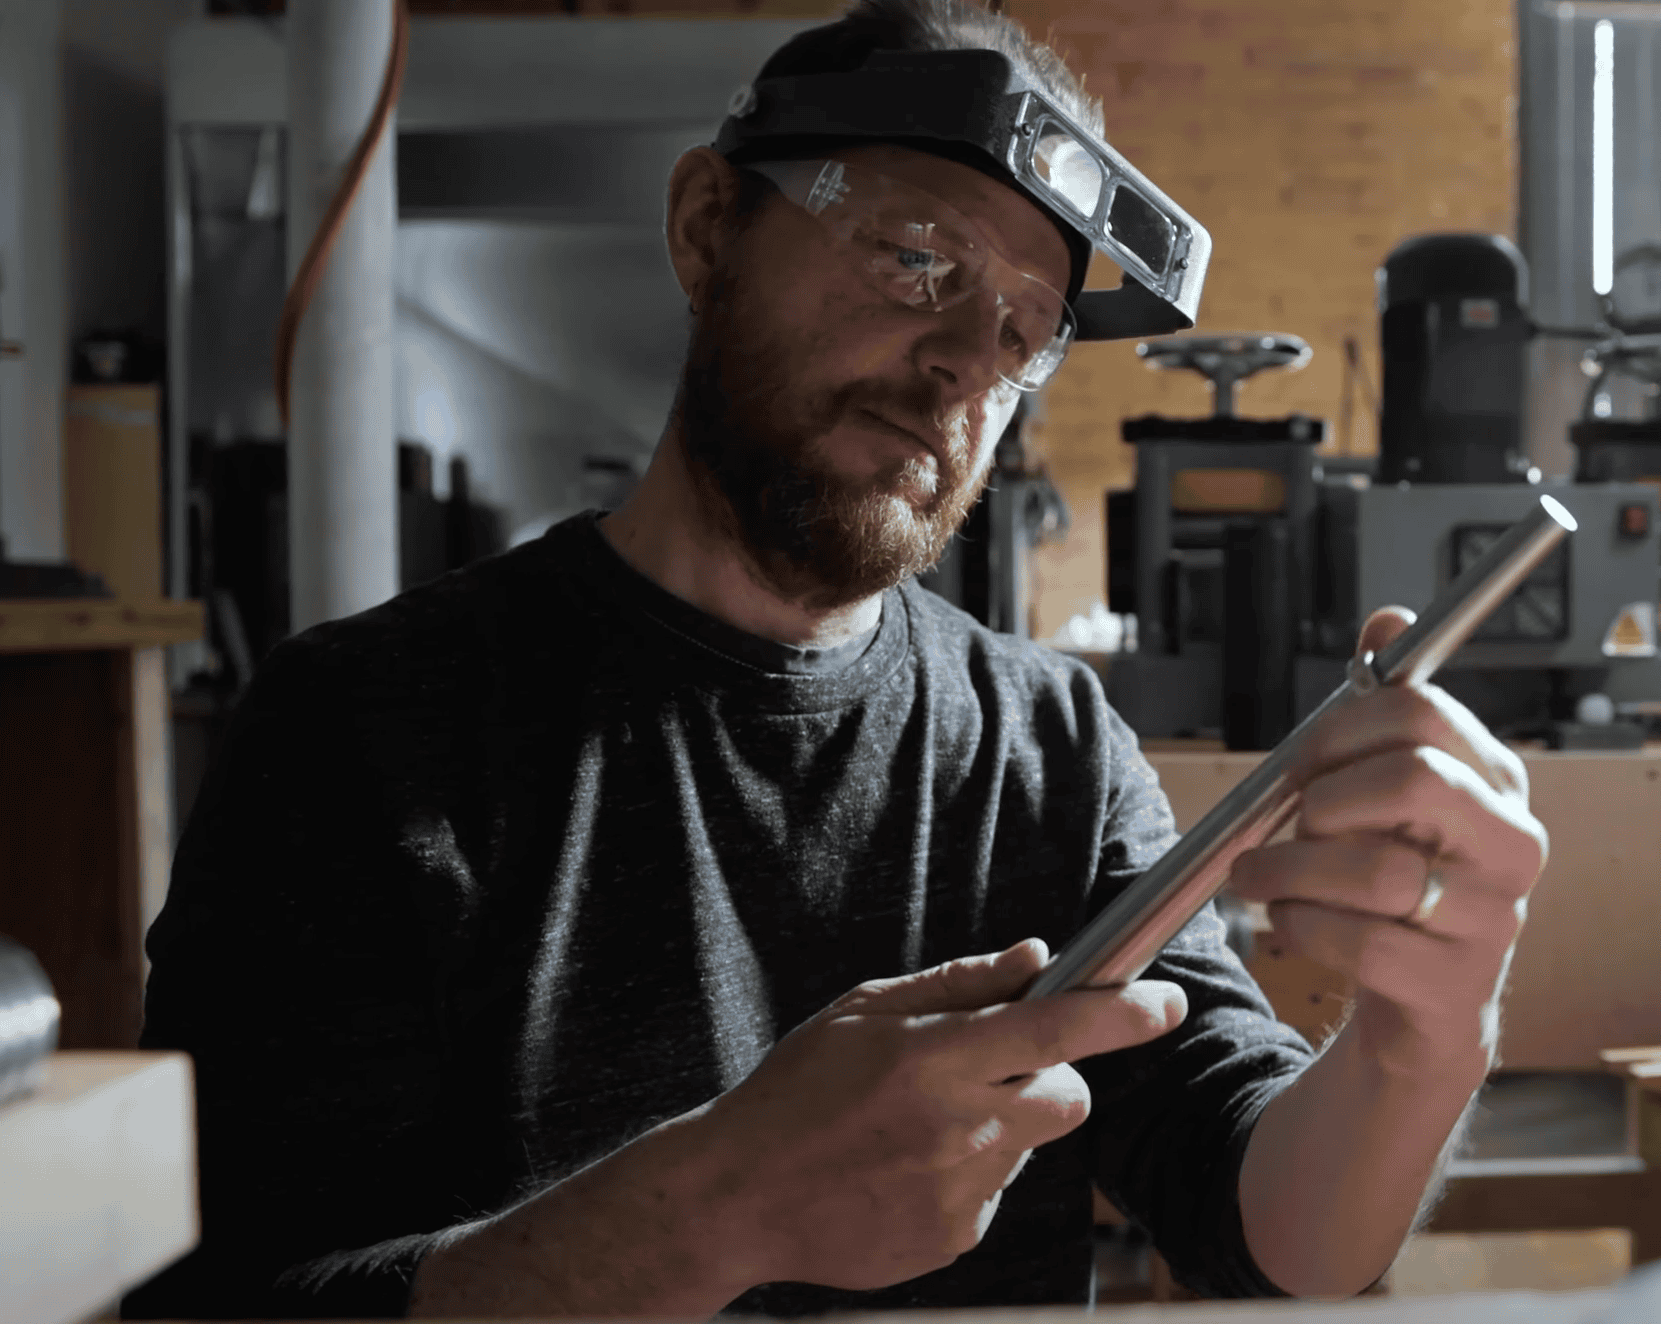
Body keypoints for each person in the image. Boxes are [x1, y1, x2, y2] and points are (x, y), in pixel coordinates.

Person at [122, 0, 1547, 1317]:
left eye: (1024, 330)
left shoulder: (1044, 745)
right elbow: (224, 1299)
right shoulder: (366, 729)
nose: (961, 366)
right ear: (703, 229)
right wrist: (710, 1215)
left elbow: (1276, 1230)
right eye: (916, 257)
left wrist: (1424, 1037)